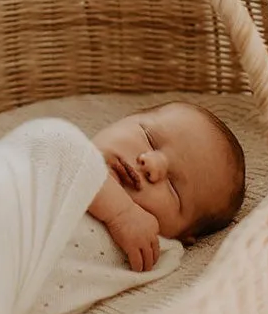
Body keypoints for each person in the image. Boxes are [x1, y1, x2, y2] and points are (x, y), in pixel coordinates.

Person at [88, 101, 246, 272]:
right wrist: (121, 213)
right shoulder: (67, 149)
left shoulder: (156, 257)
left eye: (173, 188)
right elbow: (78, 165)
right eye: (149, 139)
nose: (152, 165)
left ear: (183, 236)